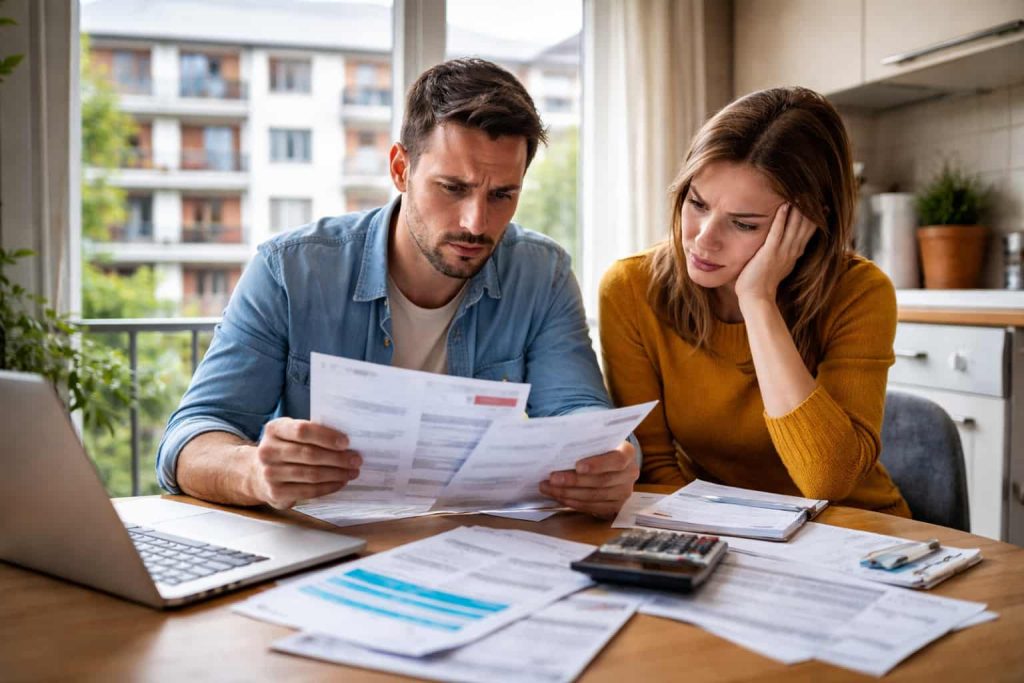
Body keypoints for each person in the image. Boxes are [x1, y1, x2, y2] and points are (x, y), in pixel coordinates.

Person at [157, 58, 636, 519]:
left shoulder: (541, 274)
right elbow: (190, 438)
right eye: (452, 188)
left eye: (501, 195)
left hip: (473, 545)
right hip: (322, 552)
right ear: (400, 169)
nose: (476, 222)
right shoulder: (290, 271)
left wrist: (614, 462)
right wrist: (253, 471)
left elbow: (581, 413)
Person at [599, 86, 909, 516]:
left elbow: (827, 480)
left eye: (744, 224)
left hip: (852, 531)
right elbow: (653, 469)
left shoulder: (860, 293)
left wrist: (758, 300)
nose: (704, 240)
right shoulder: (631, 288)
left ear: (808, 222)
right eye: (697, 203)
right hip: (718, 528)